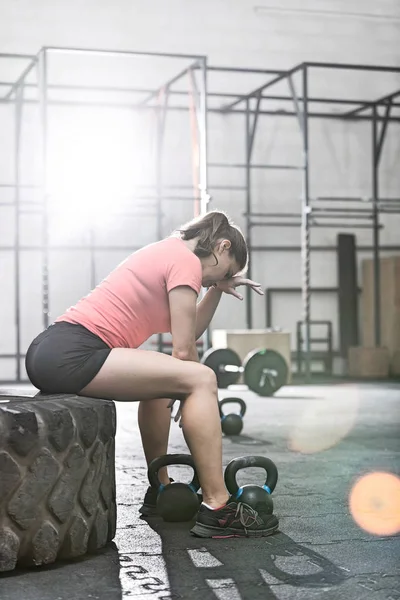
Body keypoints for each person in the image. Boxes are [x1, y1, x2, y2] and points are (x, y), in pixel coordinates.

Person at [25, 210, 279, 538]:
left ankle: (159, 489)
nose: (210, 282)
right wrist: (194, 393)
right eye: (223, 272)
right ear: (223, 245)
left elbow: (187, 329)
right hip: (73, 351)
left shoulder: (168, 252)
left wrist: (217, 289)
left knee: (165, 383)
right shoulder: (185, 261)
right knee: (202, 377)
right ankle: (218, 505)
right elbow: (186, 350)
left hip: (54, 349)